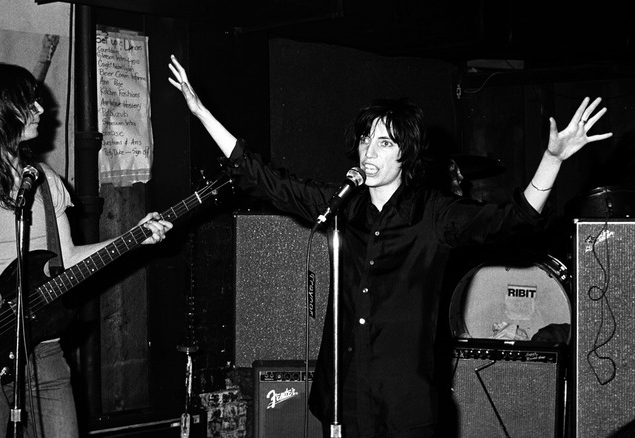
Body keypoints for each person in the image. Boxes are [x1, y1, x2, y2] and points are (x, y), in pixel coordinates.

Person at [167, 54, 611, 437]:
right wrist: (202, 113)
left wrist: (551, 160)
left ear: (406, 154)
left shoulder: (434, 213)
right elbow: (266, 180)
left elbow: (513, 219)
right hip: (343, 395)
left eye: (384, 142)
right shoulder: (344, 205)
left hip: (404, 404)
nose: (369, 152)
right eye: (366, 140)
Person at [0, 62, 173, 437]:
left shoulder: (45, 180)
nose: (40, 109)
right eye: (28, 103)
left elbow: (69, 259)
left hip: (45, 349)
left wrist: (133, 239)